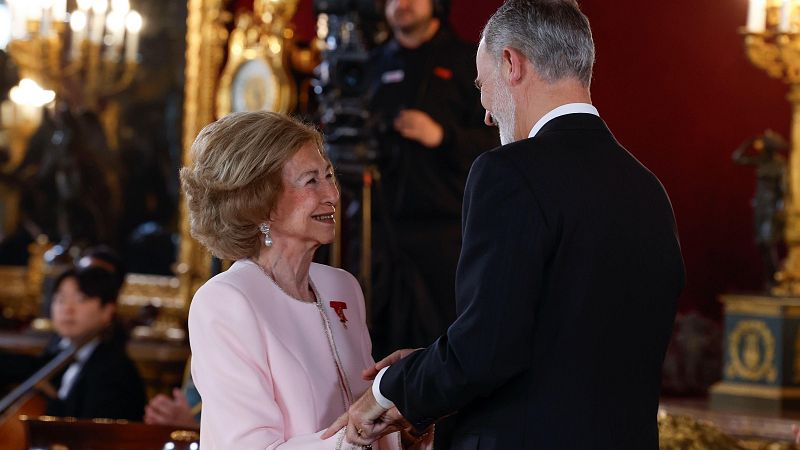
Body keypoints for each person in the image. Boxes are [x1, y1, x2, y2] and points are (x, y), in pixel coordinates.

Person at [325, 0, 686, 448]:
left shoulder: (508, 172)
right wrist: (430, 362)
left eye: (482, 84)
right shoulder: (648, 188)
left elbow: (485, 350)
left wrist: (387, 389)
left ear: (512, 63)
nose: (486, 113)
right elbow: (563, 337)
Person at [181, 111, 422, 449]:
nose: (333, 195)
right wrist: (357, 435)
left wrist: (407, 426)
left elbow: (365, 420)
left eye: (329, 175)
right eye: (311, 181)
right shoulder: (226, 301)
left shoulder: (344, 288)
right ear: (259, 204)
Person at [366, 0, 499, 358]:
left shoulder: (469, 62)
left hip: (446, 236)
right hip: (377, 233)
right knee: (374, 349)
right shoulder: (369, 65)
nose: (402, 4)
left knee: (444, 348)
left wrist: (442, 136)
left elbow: (500, 142)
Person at [0, 262, 146, 421]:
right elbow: (27, 367)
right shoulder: (60, 350)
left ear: (107, 311)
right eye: (60, 300)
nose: (67, 309)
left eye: (80, 299)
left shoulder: (115, 371)